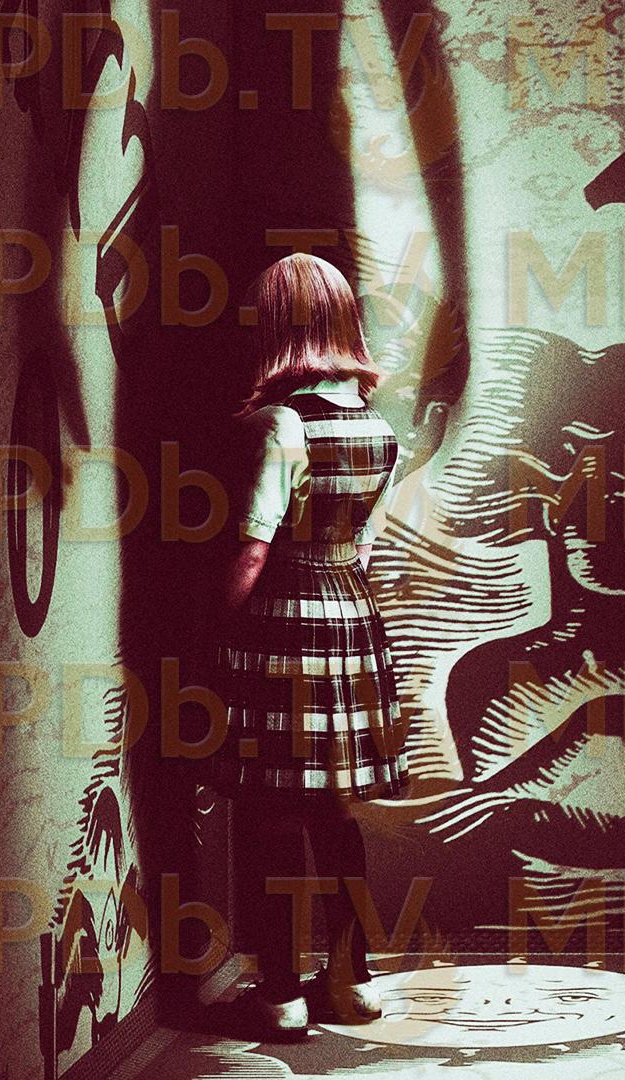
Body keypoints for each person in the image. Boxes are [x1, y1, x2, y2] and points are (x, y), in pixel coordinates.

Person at [216, 252, 407, 1036]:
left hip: (283, 622)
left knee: (269, 813)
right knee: (334, 811)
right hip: (352, 617)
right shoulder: (381, 430)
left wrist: (214, 631)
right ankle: (352, 983)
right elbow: (366, 548)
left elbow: (255, 549)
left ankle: (280, 993)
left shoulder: (278, 425)